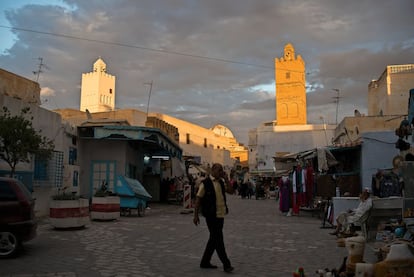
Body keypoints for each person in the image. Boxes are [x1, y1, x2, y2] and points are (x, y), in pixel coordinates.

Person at [193, 163, 234, 273]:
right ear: (213, 170)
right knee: (218, 240)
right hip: (210, 215)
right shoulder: (205, 184)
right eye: (219, 170)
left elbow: (231, 191)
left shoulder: (221, 182)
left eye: (222, 171)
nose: (221, 172)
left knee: (213, 239)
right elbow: (198, 199)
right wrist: (196, 215)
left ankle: (205, 262)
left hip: (220, 214)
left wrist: (226, 179)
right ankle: (226, 264)